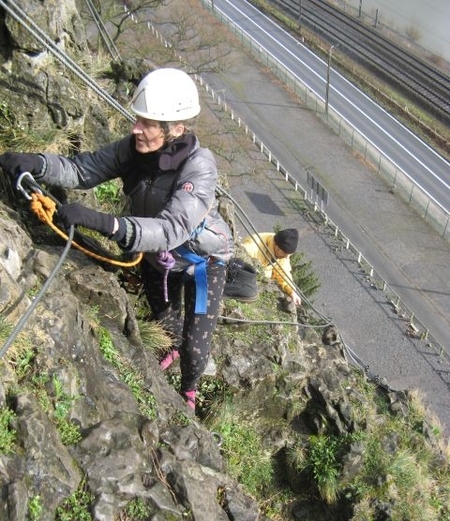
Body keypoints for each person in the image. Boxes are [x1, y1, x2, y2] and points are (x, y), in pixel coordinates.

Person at [0, 67, 234, 412]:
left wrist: (106, 223)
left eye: (147, 123)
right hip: (157, 259)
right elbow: (82, 170)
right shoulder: (132, 150)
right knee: (169, 331)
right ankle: (167, 351)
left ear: (176, 130)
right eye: (138, 119)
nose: (135, 128)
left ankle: (188, 389)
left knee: (195, 348)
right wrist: (37, 163)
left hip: (203, 264)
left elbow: (172, 229)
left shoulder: (199, 167)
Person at [241, 228, 302, 306]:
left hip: (260, 284)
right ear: (276, 245)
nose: (286, 257)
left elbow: (283, 273)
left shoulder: (283, 253)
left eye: (289, 254)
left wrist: (292, 291)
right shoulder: (253, 246)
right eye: (285, 253)